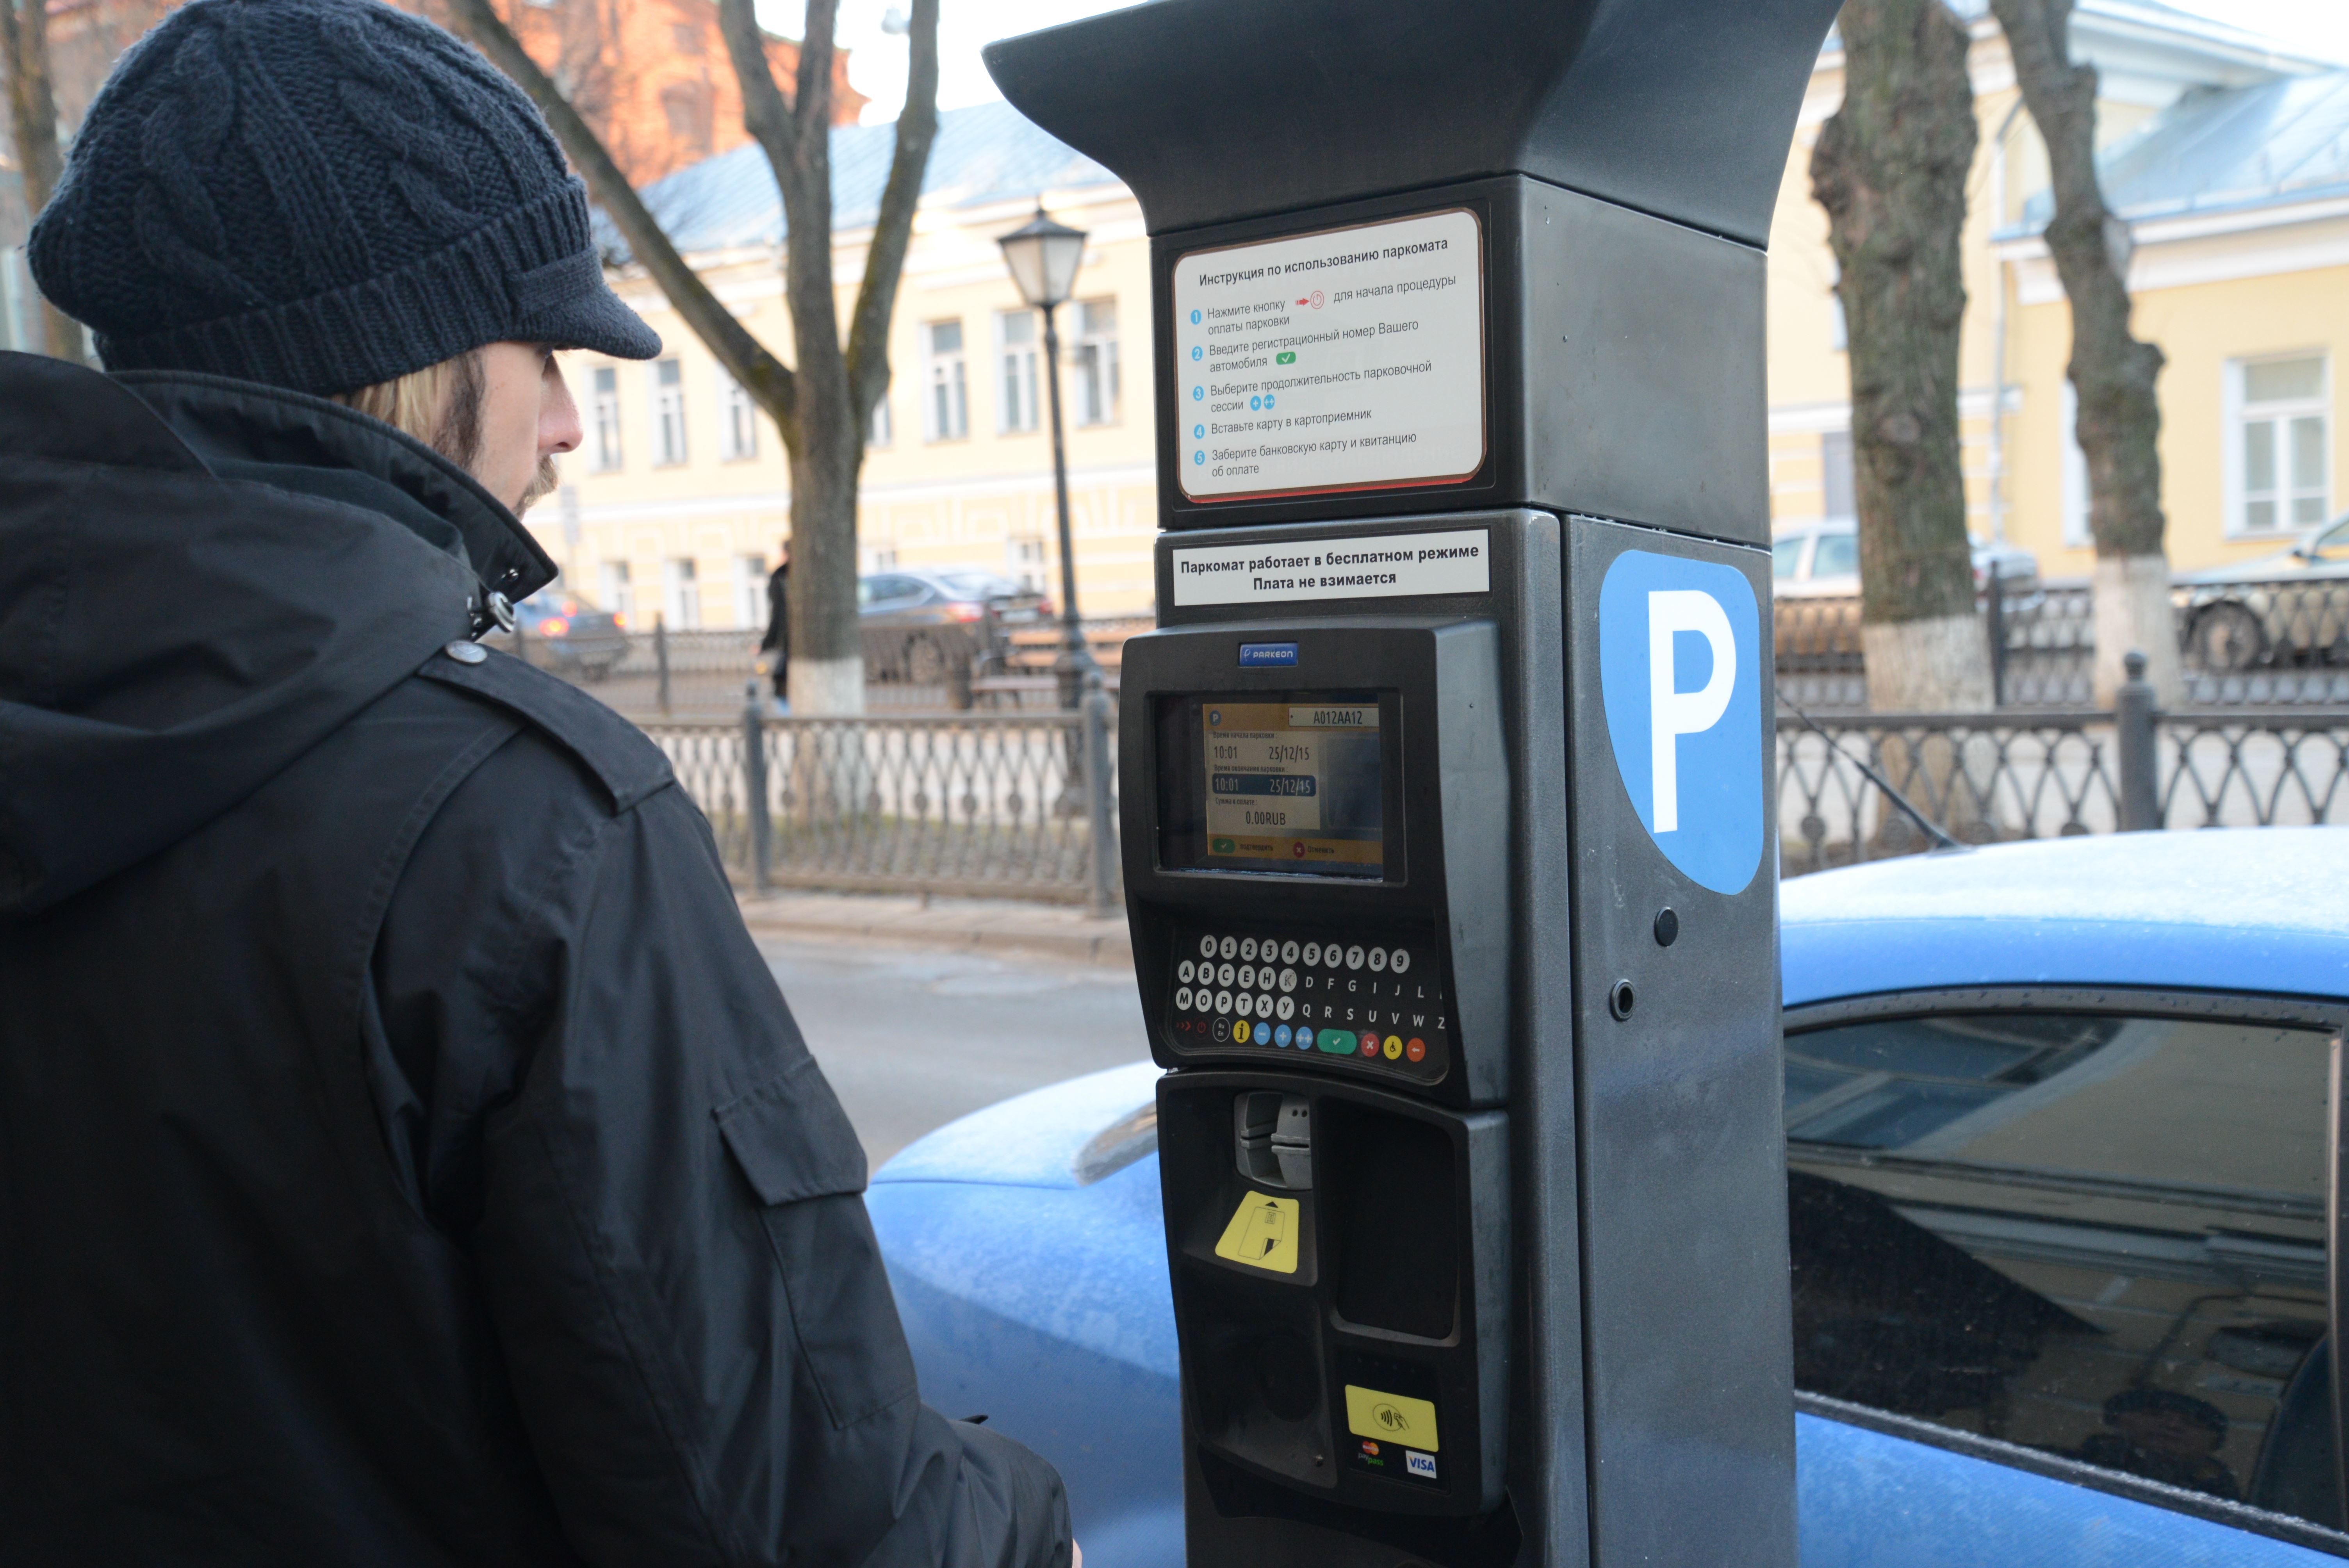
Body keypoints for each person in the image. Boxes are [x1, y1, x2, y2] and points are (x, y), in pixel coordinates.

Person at [0, 2, 1073, 1564]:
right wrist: (1035, 1510)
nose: (571, 419)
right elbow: (782, 1511)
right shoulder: (525, 828)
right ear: (409, 353)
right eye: (542, 347)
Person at [2068, 1387, 2241, 1501]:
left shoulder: (2227, 1503)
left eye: (2192, 1423)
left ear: (2213, 1442)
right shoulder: (2062, 1467)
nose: (2172, 1426)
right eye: (2154, 1414)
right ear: (2117, 1420)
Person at [762, 540, 792, 708]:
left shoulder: (780, 576)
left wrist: (767, 644)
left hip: (790, 641)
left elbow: (778, 614)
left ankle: (790, 722)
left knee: (781, 685)